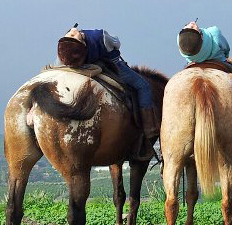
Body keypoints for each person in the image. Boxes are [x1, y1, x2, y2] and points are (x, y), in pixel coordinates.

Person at [57, 26, 159, 160]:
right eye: (72, 35)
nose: (72, 32)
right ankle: (149, 128)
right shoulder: (100, 36)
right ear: (83, 44)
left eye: (70, 33)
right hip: (113, 66)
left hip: (83, 69)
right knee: (143, 86)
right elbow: (117, 43)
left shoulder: (66, 51)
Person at [177, 20, 232, 110]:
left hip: (193, 64)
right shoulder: (214, 32)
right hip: (220, 62)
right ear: (201, 36)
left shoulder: (181, 41)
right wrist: (225, 56)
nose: (192, 24)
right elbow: (226, 48)